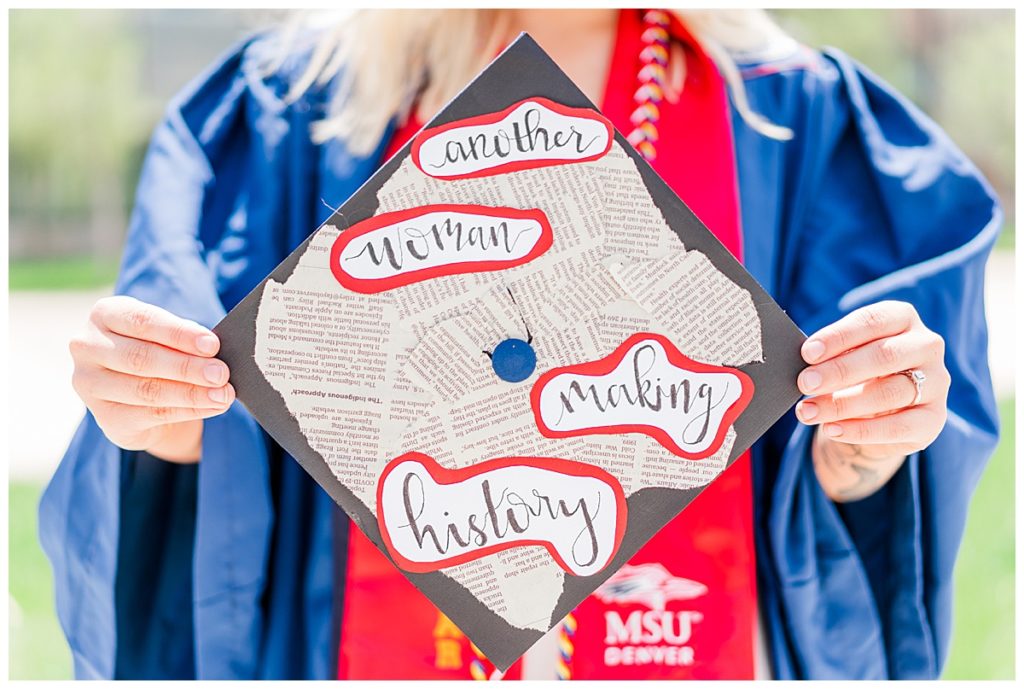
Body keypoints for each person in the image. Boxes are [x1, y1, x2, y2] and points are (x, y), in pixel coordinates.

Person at [40, 8, 1000, 680]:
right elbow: (213, 480)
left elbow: (856, 492)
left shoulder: (796, 117)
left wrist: (864, 445)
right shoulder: (286, 109)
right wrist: (162, 415)